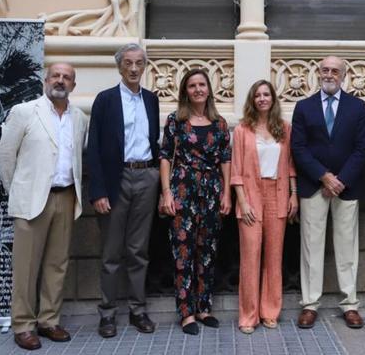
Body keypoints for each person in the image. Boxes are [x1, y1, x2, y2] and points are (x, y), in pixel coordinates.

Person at [0, 63, 88, 351]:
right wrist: (18, 191)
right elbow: (5, 155)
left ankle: (49, 320)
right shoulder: (24, 112)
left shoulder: (80, 118)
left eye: (67, 78)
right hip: (32, 200)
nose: (61, 81)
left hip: (66, 196)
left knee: (57, 264)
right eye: (56, 76)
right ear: (45, 81)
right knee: (25, 267)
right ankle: (23, 325)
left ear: (73, 85)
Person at [291, 55, 365, 330]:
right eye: (324, 69)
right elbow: (298, 148)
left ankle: (349, 304)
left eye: (335, 71)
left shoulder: (358, 107)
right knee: (311, 248)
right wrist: (324, 177)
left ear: (343, 75)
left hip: (346, 189)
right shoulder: (304, 107)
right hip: (314, 186)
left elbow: (363, 148)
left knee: (347, 247)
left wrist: (341, 180)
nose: (329, 74)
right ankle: (310, 304)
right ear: (318, 73)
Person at [87, 44, 161, 337]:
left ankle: (137, 310)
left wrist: (155, 174)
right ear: (119, 67)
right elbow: (93, 147)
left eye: (139, 63)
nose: (133, 69)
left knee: (138, 250)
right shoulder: (105, 100)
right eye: (128, 63)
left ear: (145, 67)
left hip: (146, 177)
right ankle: (107, 314)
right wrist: (99, 191)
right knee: (111, 252)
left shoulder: (152, 100)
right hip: (116, 180)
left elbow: (153, 140)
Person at [158, 68, 232, 335]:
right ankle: (186, 313)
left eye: (202, 84)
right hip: (182, 189)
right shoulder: (176, 120)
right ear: (185, 91)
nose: (198, 89)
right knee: (183, 252)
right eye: (192, 86)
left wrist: (226, 193)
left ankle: (204, 307)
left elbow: (226, 159)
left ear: (209, 89)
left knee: (208, 250)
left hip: (211, 191)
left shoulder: (220, 123)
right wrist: (166, 192)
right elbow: (165, 156)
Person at [230, 80, 299, 334]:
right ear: (252, 99)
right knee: (250, 257)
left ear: (272, 99)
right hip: (250, 195)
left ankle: (270, 311)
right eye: (257, 95)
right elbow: (236, 171)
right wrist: (243, 201)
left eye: (266, 94)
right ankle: (248, 316)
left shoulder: (284, 128)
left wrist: (294, 195)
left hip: (278, 194)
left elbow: (291, 165)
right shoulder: (242, 130)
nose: (262, 98)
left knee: (273, 258)